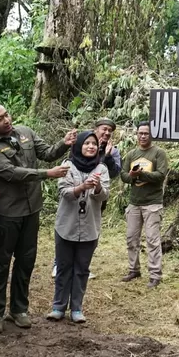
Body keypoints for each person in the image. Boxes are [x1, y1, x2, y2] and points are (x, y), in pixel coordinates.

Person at [0, 103, 75, 333]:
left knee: (26, 261)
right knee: (2, 262)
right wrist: (46, 174)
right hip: (7, 212)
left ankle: (19, 309)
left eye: (7, 115)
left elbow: (47, 153)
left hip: (32, 209)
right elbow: (10, 173)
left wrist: (64, 143)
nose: (6, 120)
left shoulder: (25, 132)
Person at [46, 131, 109, 323]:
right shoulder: (67, 165)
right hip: (66, 226)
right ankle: (58, 306)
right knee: (64, 267)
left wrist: (97, 187)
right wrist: (82, 187)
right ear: (78, 145)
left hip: (90, 228)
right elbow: (64, 192)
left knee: (82, 269)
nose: (90, 146)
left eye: (93, 143)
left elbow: (104, 195)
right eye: (86, 143)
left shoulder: (102, 168)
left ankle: (77, 308)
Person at [51, 117, 121, 279]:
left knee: (90, 231)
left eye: (110, 131)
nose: (107, 133)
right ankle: (58, 263)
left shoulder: (113, 150)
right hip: (75, 195)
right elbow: (71, 165)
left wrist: (108, 157)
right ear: (95, 129)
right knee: (67, 227)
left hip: (95, 197)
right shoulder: (82, 144)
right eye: (104, 129)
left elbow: (115, 173)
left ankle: (83, 266)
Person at [120, 121, 168, 289]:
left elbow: (161, 175)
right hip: (134, 203)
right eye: (140, 133)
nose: (142, 136)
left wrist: (143, 174)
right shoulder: (132, 154)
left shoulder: (159, 153)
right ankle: (134, 269)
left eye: (146, 133)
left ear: (152, 135)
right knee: (131, 238)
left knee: (152, 240)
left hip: (152, 204)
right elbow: (124, 176)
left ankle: (155, 275)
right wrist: (133, 175)